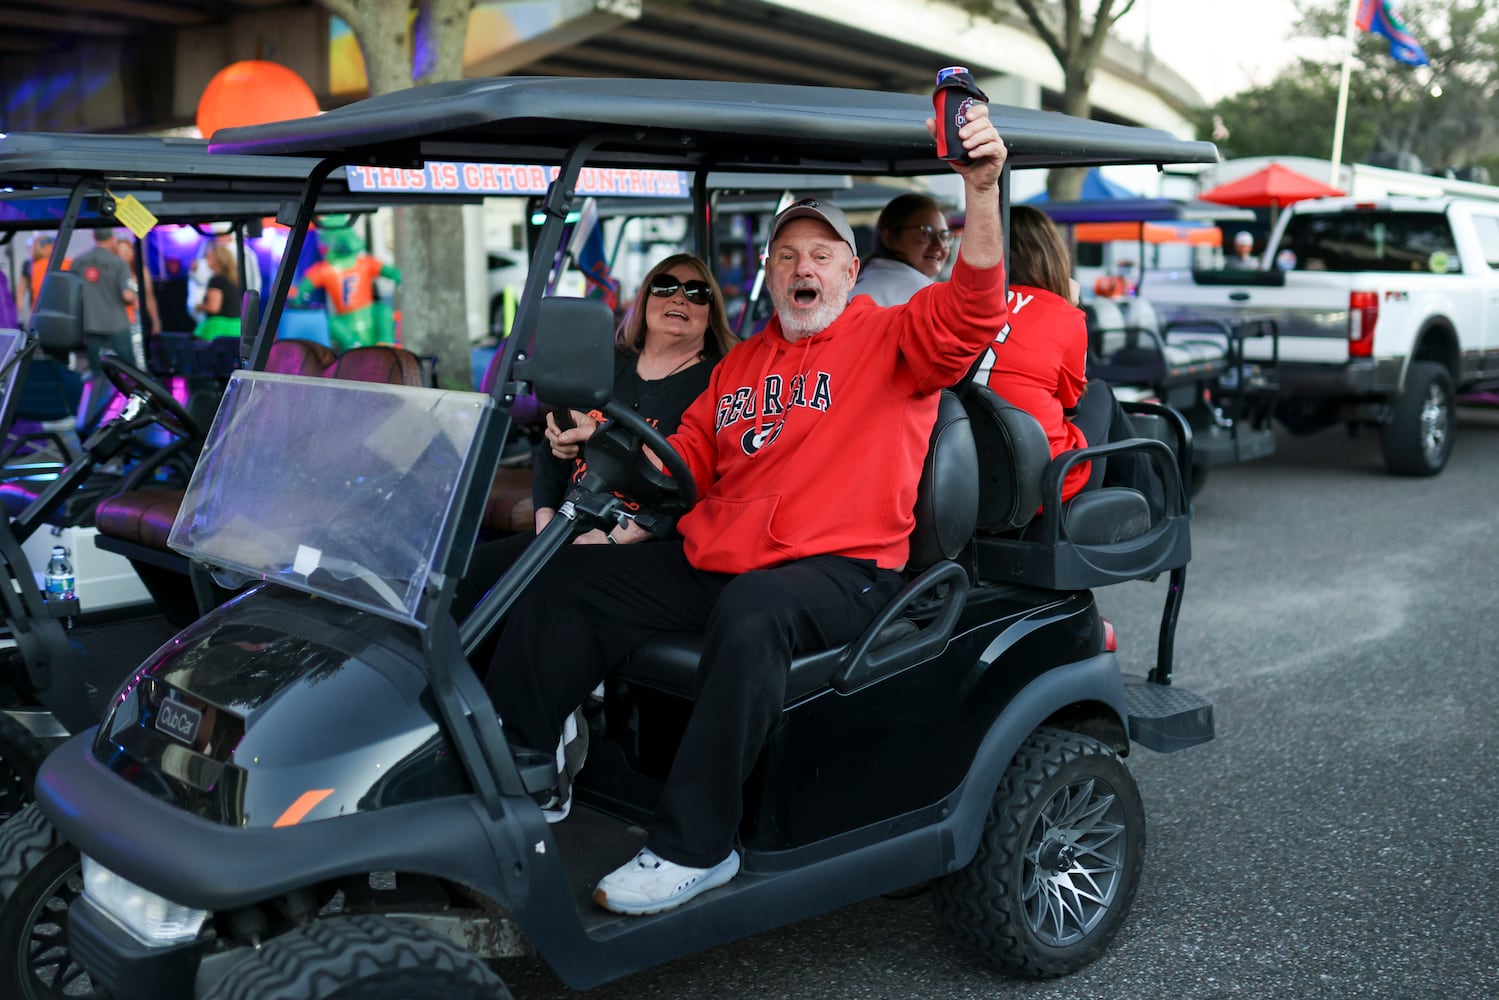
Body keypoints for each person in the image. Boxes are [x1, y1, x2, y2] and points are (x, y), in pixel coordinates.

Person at [485, 101, 1009, 916]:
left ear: (847, 272)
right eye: (787, 255)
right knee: (563, 576)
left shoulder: (893, 336)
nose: (804, 267)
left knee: (755, 611)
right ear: (769, 274)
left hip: (845, 567)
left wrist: (979, 190)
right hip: (726, 557)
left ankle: (695, 846)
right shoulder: (742, 365)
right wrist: (600, 444)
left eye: (822, 254)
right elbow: (684, 457)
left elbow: (974, 311)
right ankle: (517, 768)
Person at [456, 253, 737, 615]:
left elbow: (702, 482)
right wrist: (545, 515)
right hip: (564, 524)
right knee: (469, 576)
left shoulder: (720, 382)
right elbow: (552, 451)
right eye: (664, 287)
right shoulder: (608, 365)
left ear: (710, 314)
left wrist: (617, 536)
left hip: (640, 540)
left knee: (543, 595)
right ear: (644, 300)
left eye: (697, 292)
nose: (679, 297)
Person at [974, 204, 1095, 501]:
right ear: (1050, 254)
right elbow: (1072, 403)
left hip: (966, 469)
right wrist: (1070, 303)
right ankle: (1157, 508)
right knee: (1104, 398)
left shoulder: (964, 304)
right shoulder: (1064, 316)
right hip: (1039, 478)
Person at [852, 192, 951, 306]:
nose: (939, 245)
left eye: (944, 236)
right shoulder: (920, 293)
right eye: (925, 233)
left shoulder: (862, 278)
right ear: (889, 238)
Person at [74, 229, 137, 370]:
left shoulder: (78, 262)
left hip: (90, 323)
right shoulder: (119, 263)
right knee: (129, 369)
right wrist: (135, 295)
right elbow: (127, 295)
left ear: (94, 237)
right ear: (112, 239)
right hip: (117, 324)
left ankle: (99, 392)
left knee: (97, 370)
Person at [193, 241, 243, 341]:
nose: (206, 259)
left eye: (209, 256)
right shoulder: (235, 280)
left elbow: (214, 307)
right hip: (236, 327)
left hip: (219, 328)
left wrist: (200, 306)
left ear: (217, 259)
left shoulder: (217, 280)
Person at [18, 233, 71, 322]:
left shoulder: (64, 263)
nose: (52, 248)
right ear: (40, 248)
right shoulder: (29, 264)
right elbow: (23, 282)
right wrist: (19, 299)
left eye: (53, 246)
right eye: (49, 246)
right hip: (38, 306)